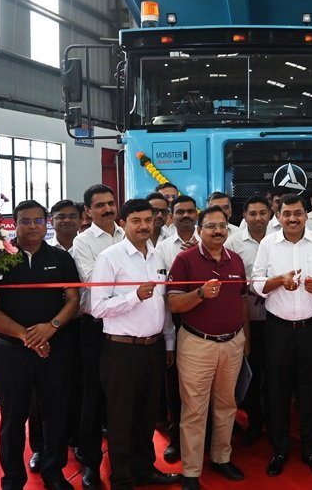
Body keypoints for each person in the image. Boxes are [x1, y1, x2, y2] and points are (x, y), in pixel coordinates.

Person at [0, 200, 81, 490]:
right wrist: (26, 336)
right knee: (13, 420)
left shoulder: (61, 258)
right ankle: (13, 479)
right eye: (25, 221)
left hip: (54, 351)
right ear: (14, 224)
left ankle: (54, 473)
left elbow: (73, 300)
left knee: (56, 415)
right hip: (11, 354)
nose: (32, 226)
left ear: (46, 223)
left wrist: (51, 328)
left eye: (38, 220)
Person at [90, 199, 180, 489]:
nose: (143, 226)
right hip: (122, 350)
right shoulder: (110, 257)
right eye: (136, 221)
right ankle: (121, 477)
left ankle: (144, 469)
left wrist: (168, 342)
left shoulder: (157, 257)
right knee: (121, 417)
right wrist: (134, 297)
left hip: (154, 347)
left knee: (148, 414)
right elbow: (97, 308)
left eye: (148, 220)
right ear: (123, 223)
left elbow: (163, 305)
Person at [167, 206, 249, 490]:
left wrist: (245, 339)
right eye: (211, 226)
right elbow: (174, 304)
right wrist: (200, 293)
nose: (217, 231)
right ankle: (191, 471)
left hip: (233, 342)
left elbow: (242, 301)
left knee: (227, 405)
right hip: (197, 344)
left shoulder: (236, 260)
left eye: (222, 226)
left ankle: (221, 458)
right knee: (194, 409)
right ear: (199, 230)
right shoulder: (185, 260)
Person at [251, 194, 312, 477]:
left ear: (306, 215)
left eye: (298, 213)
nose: (293, 219)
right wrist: (278, 281)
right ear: (279, 216)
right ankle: (280, 449)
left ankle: (310, 448)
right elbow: (256, 281)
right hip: (278, 329)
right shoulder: (268, 243)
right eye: (287, 214)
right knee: (277, 390)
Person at [71, 184, 124, 490]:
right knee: (92, 398)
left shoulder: (128, 233)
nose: (107, 209)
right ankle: (91, 463)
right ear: (88, 211)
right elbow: (94, 281)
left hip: (126, 325)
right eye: (100, 205)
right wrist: (128, 278)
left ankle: (126, 464)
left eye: (111, 203)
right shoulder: (83, 241)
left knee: (123, 399)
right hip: (95, 327)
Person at [155, 195, 201, 462]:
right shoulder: (162, 249)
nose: (185, 216)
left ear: (196, 214)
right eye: (180, 211)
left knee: (203, 387)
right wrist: (168, 338)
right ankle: (176, 439)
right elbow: (162, 296)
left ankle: (205, 439)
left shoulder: (210, 240)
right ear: (171, 216)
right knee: (175, 386)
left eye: (190, 211)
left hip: (206, 319)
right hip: (175, 321)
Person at [226, 196, 272, 447]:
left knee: (274, 373)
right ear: (244, 216)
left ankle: (274, 421)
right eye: (252, 213)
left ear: (270, 214)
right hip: (247, 320)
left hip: (276, 319)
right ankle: (254, 421)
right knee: (250, 373)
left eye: (263, 213)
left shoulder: (279, 239)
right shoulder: (233, 243)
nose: (258, 218)